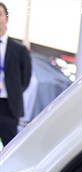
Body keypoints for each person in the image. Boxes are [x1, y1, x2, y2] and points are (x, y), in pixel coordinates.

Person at [0, 2, 32, 147]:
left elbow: (25, 78)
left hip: (9, 105)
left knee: (9, 145)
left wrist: (13, 90)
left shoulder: (19, 50)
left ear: (6, 18)